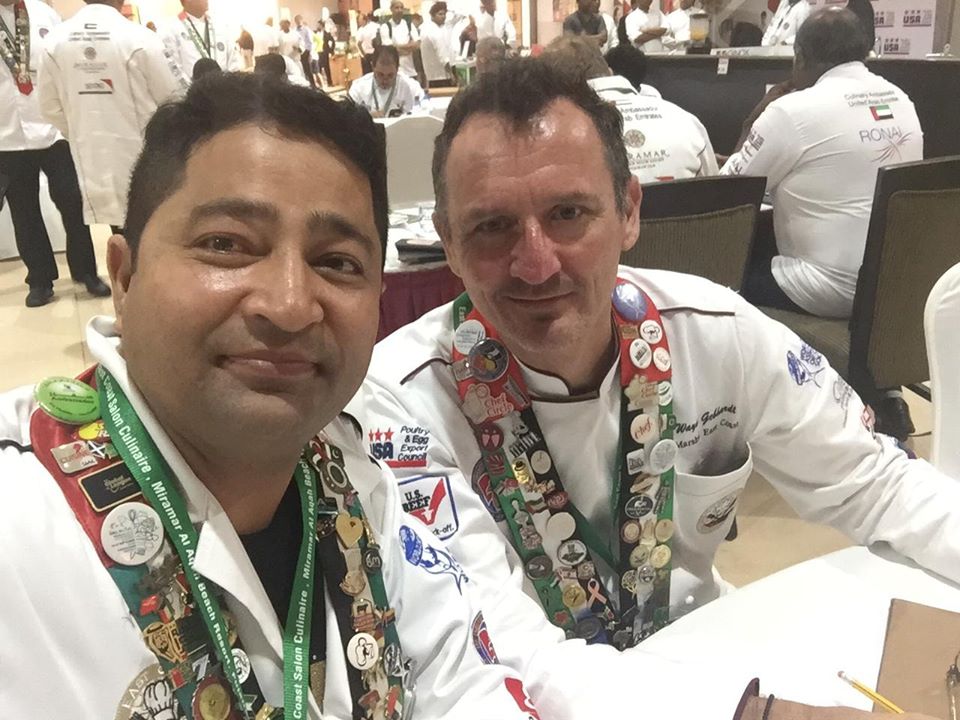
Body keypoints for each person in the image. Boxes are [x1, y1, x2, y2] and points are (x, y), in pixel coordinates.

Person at [0, 68, 562, 720]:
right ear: (124, 279)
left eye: (336, 262)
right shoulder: (21, 527)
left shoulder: (359, 486)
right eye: (226, 245)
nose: (290, 305)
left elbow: (462, 684)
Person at [353, 57, 960, 658]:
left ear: (629, 212)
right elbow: (499, 653)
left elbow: (879, 483)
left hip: (702, 650)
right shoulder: (398, 407)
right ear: (449, 242)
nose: (536, 264)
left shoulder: (716, 332)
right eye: (492, 226)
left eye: (568, 214)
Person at [721, 8, 922, 438]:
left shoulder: (791, 111)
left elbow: (727, 195)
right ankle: (883, 391)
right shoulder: (901, 100)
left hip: (823, 289)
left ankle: (753, 405)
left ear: (800, 57)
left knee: (720, 271)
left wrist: (756, 116)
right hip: (887, 291)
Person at [0, 0, 109, 307]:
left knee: (73, 200)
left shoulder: (43, 13)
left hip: (53, 126)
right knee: (24, 211)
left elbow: (66, 62)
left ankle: (86, 273)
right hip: (7, 134)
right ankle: (40, 280)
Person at [38, 0, 180, 234]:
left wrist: (80, 131)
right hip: (146, 153)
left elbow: (49, 108)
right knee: (150, 227)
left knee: (119, 231)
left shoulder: (54, 42)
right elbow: (171, 97)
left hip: (93, 157)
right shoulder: (140, 38)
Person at [544, 36, 716, 182]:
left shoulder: (553, 140)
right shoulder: (685, 121)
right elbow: (715, 194)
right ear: (609, 71)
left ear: (554, 87)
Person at [157, 0, 242, 92]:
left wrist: (230, 87)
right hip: (193, 94)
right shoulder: (170, 29)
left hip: (224, 92)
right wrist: (192, 92)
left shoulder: (220, 25)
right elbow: (174, 68)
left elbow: (233, 60)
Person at [348, 45, 423, 117]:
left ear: (397, 69)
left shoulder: (411, 87)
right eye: (380, 75)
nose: (385, 80)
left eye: (390, 75)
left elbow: (421, 113)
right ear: (373, 67)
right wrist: (367, 117)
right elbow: (348, 117)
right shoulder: (358, 88)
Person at [378, 0, 421, 80]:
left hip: (410, 70)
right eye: (397, 8)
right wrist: (408, 47)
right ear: (391, 9)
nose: (399, 10)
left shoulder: (409, 25)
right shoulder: (386, 27)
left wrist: (398, 47)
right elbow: (389, 49)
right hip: (394, 71)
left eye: (401, 8)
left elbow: (417, 44)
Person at [420, 1, 457, 88]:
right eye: (440, 14)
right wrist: (451, 74)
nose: (443, 17)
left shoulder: (426, 29)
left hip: (431, 76)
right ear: (432, 16)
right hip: (442, 76)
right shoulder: (435, 32)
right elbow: (443, 57)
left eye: (444, 14)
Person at [294, 14, 316, 88]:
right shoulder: (294, 30)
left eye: (299, 20)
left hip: (306, 52)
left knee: (308, 70)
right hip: (298, 52)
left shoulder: (306, 30)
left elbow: (310, 42)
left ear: (302, 20)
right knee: (301, 70)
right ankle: (306, 86)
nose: (298, 22)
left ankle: (313, 86)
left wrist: (309, 53)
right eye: (296, 21)